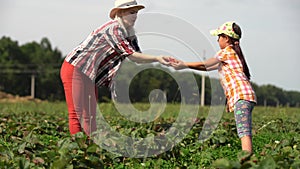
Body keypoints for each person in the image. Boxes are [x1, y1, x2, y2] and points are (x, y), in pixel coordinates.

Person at [60, 0, 172, 136]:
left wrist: (161, 59)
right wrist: (157, 58)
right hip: (75, 68)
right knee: (77, 113)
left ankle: (90, 148)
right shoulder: (114, 29)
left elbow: (138, 58)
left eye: (136, 12)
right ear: (120, 13)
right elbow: (132, 56)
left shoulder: (129, 34)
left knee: (90, 114)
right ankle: (76, 150)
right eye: (131, 12)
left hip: (89, 73)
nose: (135, 16)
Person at [170, 21, 256, 153]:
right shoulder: (234, 53)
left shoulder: (226, 52)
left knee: (244, 132)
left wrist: (184, 64)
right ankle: (250, 159)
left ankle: (249, 160)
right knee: (245, 129)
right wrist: (185, 66)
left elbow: (206, 64)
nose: (217, 40)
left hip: (241, 97)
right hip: (247, 96)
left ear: (226, 38)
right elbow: (208, 68)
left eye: (219, 37)